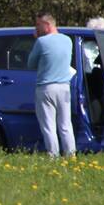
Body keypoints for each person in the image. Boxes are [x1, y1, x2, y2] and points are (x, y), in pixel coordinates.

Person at [28, 12, 76, 157]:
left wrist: (37, 40)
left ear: (47, 25)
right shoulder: (68, 40)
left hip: (46, 87)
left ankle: (53, 156)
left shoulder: (41, 42)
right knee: (66, 125)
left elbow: (31, 64)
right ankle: (71, 155)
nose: (36, 28)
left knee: (49, 125)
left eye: (38, 25)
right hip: (65, 87)